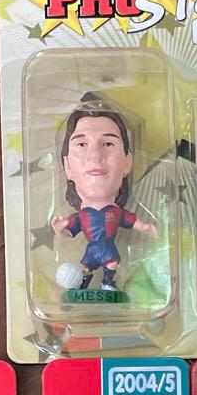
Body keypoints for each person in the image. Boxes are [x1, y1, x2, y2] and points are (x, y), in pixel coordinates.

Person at [51, 108, 158, 293]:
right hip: (93, 248)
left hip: (107, 246)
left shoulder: (116, 212)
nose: (95, 155)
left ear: (127, 162)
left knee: (111, 263)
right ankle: (82, 285)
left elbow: (133, 222)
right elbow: (68, 231)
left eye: (108, 143)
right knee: (87, 268)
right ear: (67, 165)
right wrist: (60, 229)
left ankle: (107, 283)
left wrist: (149, 228)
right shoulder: (81, 216)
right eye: (81, 144)